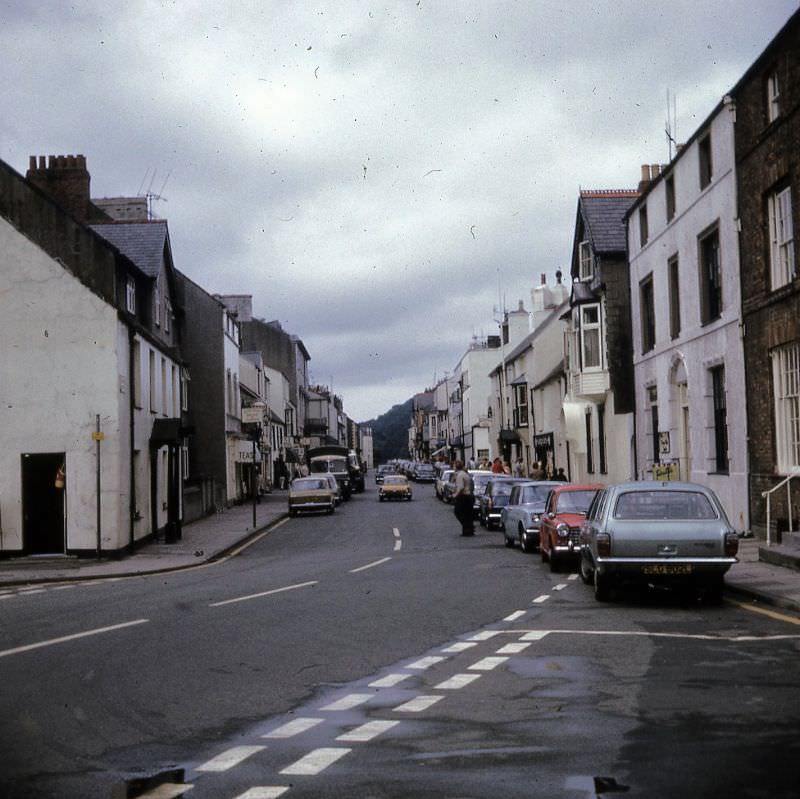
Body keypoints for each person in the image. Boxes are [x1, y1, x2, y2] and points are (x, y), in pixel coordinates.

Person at [452, 460, 475, 536]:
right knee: (467, 514)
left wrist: (455, 495)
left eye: (454, 465)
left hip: (463, 497)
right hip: (468, 496)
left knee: (458, 512)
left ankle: (467, 528)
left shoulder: (460, 475)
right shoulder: (465, 474)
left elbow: (461, 487)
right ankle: (468, 529)